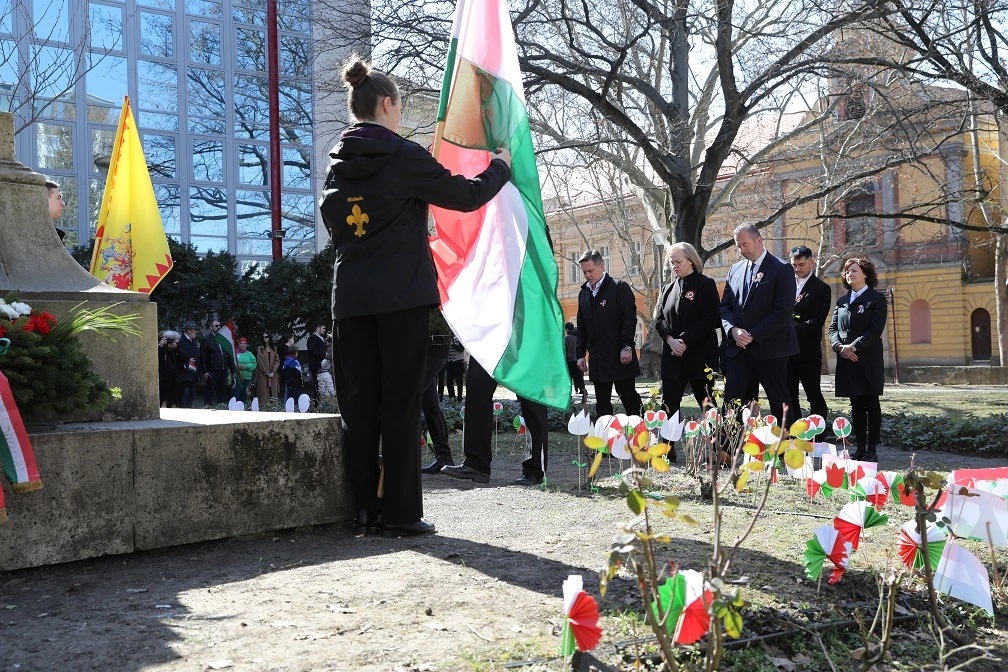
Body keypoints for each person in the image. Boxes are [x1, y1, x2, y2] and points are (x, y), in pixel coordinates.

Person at [318, 55, 512, 537]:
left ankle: (364, 509)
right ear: (387, 104)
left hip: (352, 301)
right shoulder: (402, 156)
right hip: (402, 298)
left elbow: (337, 226)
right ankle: (401, 514)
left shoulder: (336, 165)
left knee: (358, 407)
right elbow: (464, 196)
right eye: (400, 105)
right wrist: (500, 169)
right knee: (401, 404)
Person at [719, 224, 799, 427]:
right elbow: (725, 308)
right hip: (740, 349)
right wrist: (733, 330)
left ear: (758, 240)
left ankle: (783, 453)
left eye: (745, 244)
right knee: (732, 402)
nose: (742, 250)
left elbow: (782, 311)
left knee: (779, 402)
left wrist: (753, 334)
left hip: (771, 348)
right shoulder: (734, 270)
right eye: (738, 246)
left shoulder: (781, 269)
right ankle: (727, 452)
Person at [653, 242, 719, 460]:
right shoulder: (668, 289)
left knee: (706, 402)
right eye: (672, 262)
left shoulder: (705, 285)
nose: (675, 266)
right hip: (673, 356)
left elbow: (709, 319)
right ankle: (667, 449)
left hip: (700, 356)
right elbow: (660, 320)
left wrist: (684, 340)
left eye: (678, 261)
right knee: (670, 402)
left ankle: (716, 449)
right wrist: (671, 340)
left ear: (691, 260)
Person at [441, 359, 549, 486]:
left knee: (531, 395)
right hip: (491, 339)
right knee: (477, 381)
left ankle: (535, 468)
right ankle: (476, 463)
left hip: (527, 340)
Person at [828, 256, 887, 462]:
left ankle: (872, 450)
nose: (850, 274)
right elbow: (833, 328)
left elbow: (875, 329)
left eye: (854, 270)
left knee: (871, 404)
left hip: (867, 359)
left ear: (865, 273)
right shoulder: (842, 301)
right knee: (856, 405)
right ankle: (860, 448)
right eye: (847, 271)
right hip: (847, 360)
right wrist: (839, 347)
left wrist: (854, 346)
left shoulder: (876, 299)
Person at [575, 249, 643, 416]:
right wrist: (580, 354)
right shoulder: (584, 293)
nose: (587, 275)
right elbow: (582, 326)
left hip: (621, 355)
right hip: (597, 357)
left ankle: (641, 436)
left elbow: (629, 320)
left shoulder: (619, 288)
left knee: (629, 398)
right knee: (602, 403)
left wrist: (627, 346)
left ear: (602, 265)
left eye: (590, 270)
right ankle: (605, 439)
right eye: (584, 272)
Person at [788, 245, 832, 421]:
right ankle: (794, 436)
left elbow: (816, 322)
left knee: (813, 395)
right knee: (789, 397)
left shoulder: (821, 288)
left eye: (801, 265)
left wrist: (788, 329)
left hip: (807, 352)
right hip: (786, 352)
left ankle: (817, 437)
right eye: (794, 265)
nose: (797, 269)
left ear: (811, 262)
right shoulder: (786, 285)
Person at [199, 319, 238, 407]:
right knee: (209, 390)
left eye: (219, 325)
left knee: (222, 390)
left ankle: (221, 406)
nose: (219, 327)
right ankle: (208, 407)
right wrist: (205, 371)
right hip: (212, 370)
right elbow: (203, 356)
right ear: (211, 327)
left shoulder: (223, 339)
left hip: (224, 369)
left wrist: (233, 370)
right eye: (216, 326)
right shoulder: (206, 339)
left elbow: (229, 355)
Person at [175, 321, 201, 408]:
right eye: (195, 330)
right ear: (189, 331)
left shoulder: (193, 342)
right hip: (184, 375)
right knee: (184, 397)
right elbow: (179, 356)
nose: (196, 332)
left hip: (193, 374)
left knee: (191, 396)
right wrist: (187, 360)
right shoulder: (181, 341)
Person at [253, 332, 280, 406]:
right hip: (263, 373)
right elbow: (260, 361)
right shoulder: (260, 348)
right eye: (263, 337)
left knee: (273, 391)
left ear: (269, 338)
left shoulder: (273, 348)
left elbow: (277, 361)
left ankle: (274, 406)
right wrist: (267, 372)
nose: (265, 338)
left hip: (272, 374)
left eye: (266, 337)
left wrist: (273, 372)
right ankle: (263, 406)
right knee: (263, 391)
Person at [157, 330, 180, 408]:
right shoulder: (161, 347)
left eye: (172, 339)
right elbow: (156, 357)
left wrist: (176, 348)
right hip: (163, 377)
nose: (170, 341)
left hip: (174, 377)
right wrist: (161, 345)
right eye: (168, 339)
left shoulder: (176, 348)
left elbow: (185, 357)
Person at [564, 322, 587, 397]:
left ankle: (568, 395)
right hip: (579, 360)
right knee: (580, 378)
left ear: (567, 329)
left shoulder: (567, 338)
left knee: (569, 378)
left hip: (569, 361)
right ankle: (583, 392)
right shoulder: (579, 338)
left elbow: (564, 350)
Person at [306, 321, 327, 396]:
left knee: (324, 385)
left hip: (323, 366)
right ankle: (316, 404)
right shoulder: (312, 338)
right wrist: (325, 354)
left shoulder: (322, 339)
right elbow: (312, 350)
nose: (324, 330)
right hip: (317, 366)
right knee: (317, 385)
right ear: (318, 328)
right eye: (323, 328)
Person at [444, 335, 466, 401]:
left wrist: (453, 344)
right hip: (450, 362)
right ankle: (452, 397)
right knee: (449, 381)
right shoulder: (447, 338)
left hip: (458, 362)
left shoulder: (460, 338)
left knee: (459, 381)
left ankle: (459, 397)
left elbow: (461, 349)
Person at [235, 337, 256, 402]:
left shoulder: (249, 354)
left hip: (246, 377)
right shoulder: (235, 353)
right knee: (236, 394)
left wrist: (246, 366)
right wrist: (237, 366)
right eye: (241, 343)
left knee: (245, 394)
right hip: (236, 377)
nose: (243, 345)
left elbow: (254, 364)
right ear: (238, 344)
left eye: (244, 343)